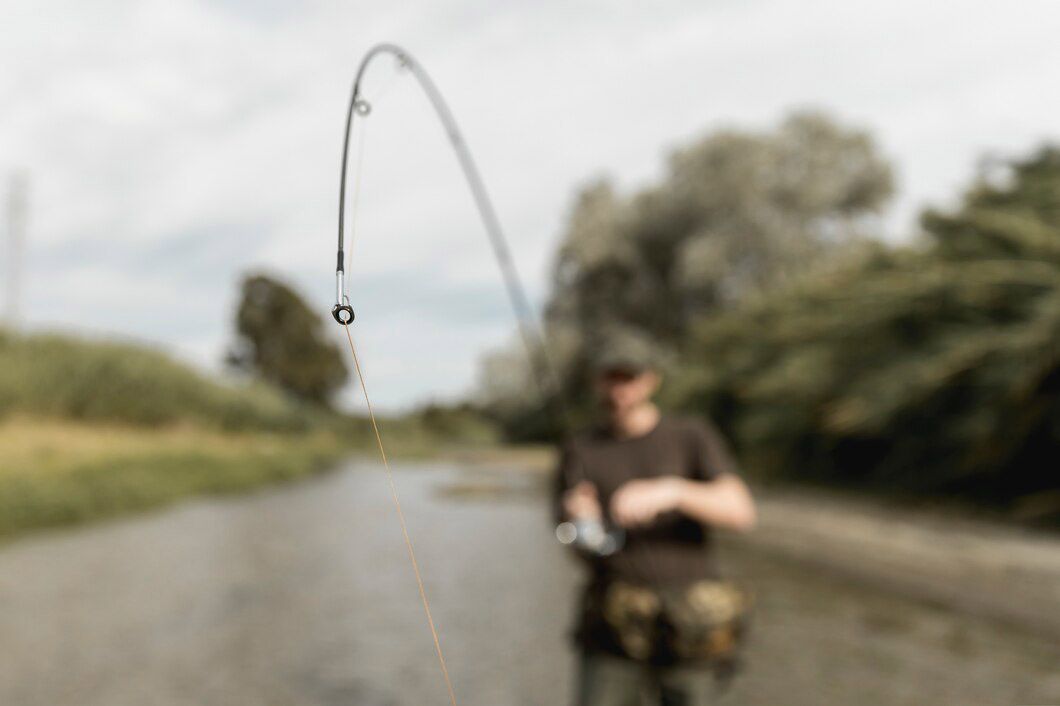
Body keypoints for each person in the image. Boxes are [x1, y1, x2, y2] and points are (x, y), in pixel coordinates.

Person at [554, 331, 757, 706]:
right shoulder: (578, 447)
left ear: (651, 379)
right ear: (597, 379)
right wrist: (579, 524)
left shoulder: (691, 435)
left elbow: (741, 513)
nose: (620, 387)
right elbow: (571, 543)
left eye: (629, 376)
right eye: (611, 376)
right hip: (610, 625)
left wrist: (674, 491)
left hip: (693, 625)